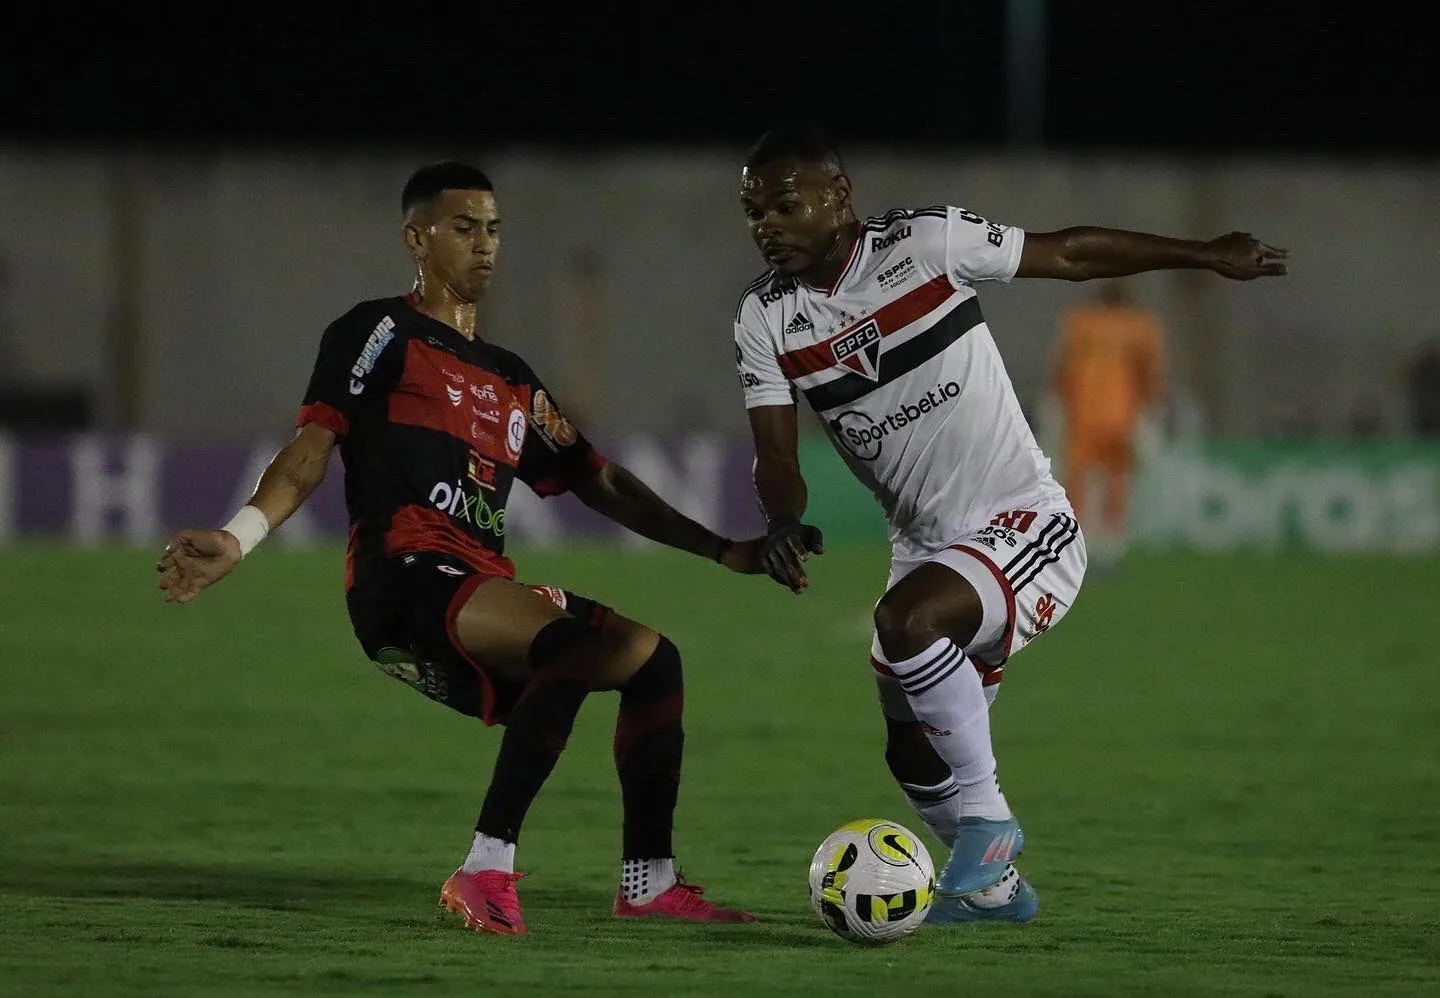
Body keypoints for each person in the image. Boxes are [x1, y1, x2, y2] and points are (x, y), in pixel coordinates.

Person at [156, 162, 771, 936]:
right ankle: (485, 868)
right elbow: (314, 447)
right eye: (463, 227)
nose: (485, 245)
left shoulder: (511, 377)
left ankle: (648, 881)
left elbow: (600, 482)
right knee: (573, 650)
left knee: (653, 660)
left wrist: (723, 551)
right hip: (403, 577)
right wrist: (240, 536)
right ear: (416, 239)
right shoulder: (380, 332)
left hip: (476, 580)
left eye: (493, 228)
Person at [730, 124, 1287, 923]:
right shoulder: (765, 316)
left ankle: (988, 819)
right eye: (753, 212)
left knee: (905, 620)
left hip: (1026, 521)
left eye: (784, 205)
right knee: (907, 744)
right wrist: (782, 517)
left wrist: (1203, 253)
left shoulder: (923, 244)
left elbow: (1070, 254)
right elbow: (775, 451)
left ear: (838, 194)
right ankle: (994, 893)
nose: (766, 226)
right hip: (925, 547)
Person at [1050, 280, 1166, 570]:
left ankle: (1073, 550)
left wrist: (1056, 406)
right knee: (1116, 482)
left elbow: (1061, 370)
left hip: (1082, 417)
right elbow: (1150, 374)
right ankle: (1110, 551)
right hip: (1121, 417)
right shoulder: (1141, 326)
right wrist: (1150, 413)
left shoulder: (1080, 323)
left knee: (1077, 484)